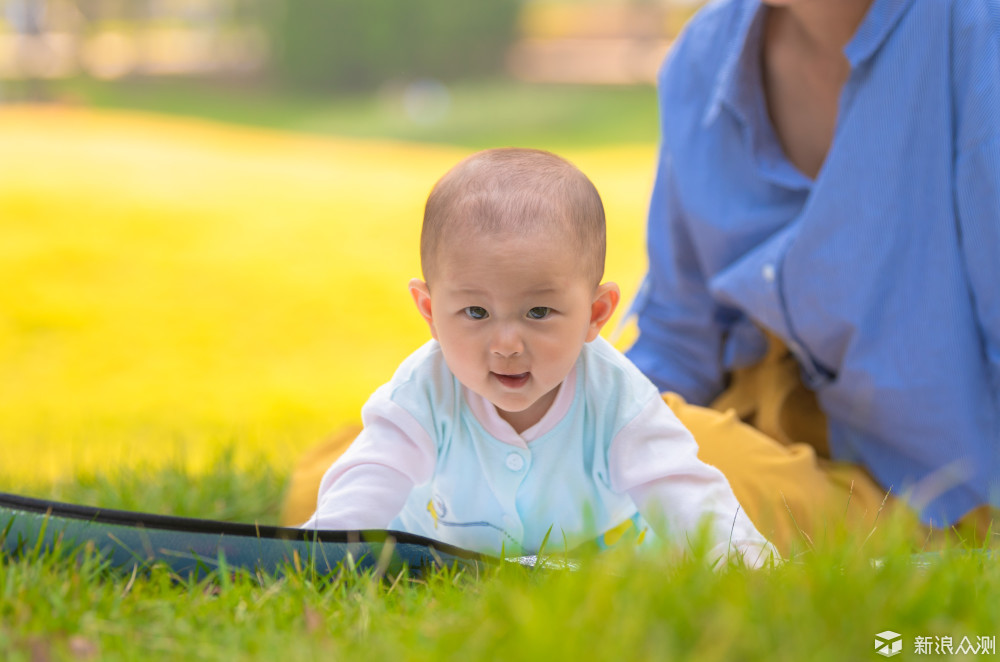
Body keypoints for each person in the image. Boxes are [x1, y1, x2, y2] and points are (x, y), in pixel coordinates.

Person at [624, 0, 999, 554]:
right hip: (766, 437)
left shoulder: (974, 30)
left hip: (943, 496)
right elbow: (679, 340)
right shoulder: (704, 55)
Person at [298, 148, 777, 566]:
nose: (507, 343)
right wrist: (315, 559)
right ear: (429, 311)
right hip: (450, 556)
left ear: (596, 312)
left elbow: (681, 487)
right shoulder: (423, 391)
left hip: (594, 559)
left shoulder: (616, 396)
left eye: (539, 311)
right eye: (476, 311)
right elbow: (371, 475)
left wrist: (747, 566)